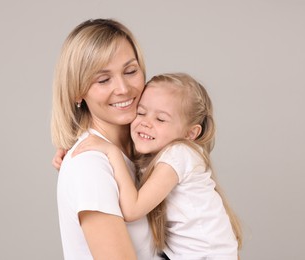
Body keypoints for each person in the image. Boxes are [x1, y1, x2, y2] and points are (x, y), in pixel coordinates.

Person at [74, 73, 243, 259]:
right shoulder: (158, 151)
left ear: (190, 133)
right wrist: (73, 146)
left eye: (160, 119)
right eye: (141, 112)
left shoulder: (179, 154)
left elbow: (132, 210)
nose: (146, 123)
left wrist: (111, 152)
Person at [51, 18, 161, 259]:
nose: (123, 88)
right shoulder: (90, 165)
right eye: (103, 80)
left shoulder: (146, 149)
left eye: (131, 71)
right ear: (77, 91)